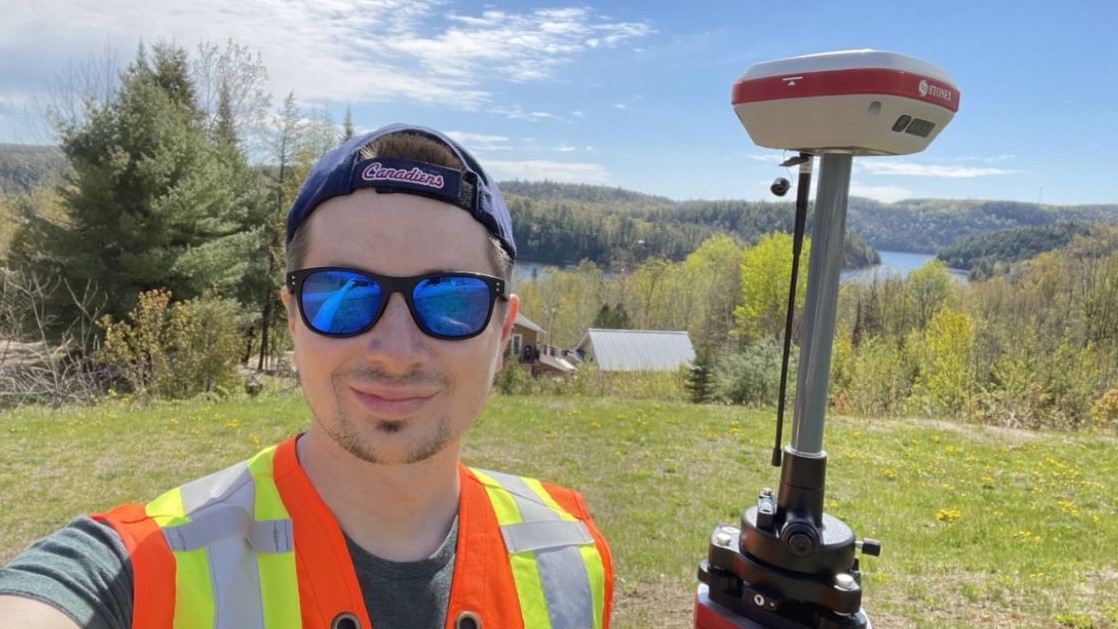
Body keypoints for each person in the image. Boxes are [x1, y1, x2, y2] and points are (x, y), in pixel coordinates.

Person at [0, 123, 614, 629]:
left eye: (450, 299)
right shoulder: (144, 568)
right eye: (342, 296)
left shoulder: (570, 555)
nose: (396, 351)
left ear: (503, 333)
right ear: (294, 319)